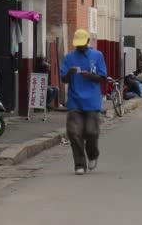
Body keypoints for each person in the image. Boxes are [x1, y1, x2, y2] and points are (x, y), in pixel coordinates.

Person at [60, 29, 107, 175]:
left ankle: (93, 154)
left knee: (91, 132)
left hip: (92, 100)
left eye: (82, 44)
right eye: (78, 45)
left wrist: (89, 75)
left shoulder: (97, 56)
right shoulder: (69, 58)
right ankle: (79, 164)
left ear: (88, 42)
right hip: (75, 101)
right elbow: (63, 79)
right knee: (74, 133)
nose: (80, 47)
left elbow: (103, 78)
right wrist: (70, 73)